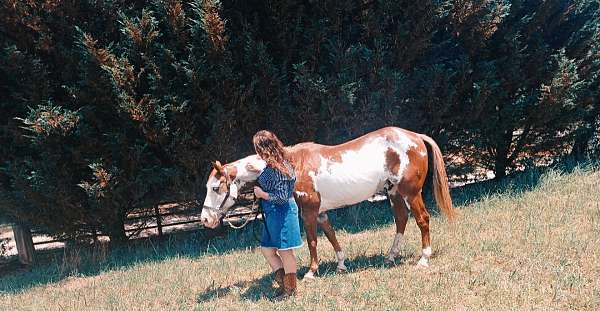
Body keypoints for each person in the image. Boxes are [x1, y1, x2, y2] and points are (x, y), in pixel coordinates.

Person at [246, 130, 303, 300]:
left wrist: (262, 195)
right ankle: (284, 283)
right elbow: (270, 179)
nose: (257, 153)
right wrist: (260, 170)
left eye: (258, 149)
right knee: (267, 249)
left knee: (286, 252)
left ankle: (290, 290)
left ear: (265, 149)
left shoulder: (283, 167)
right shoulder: (272, 165)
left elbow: (282, 197)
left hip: (283, 212)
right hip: (273, 213)